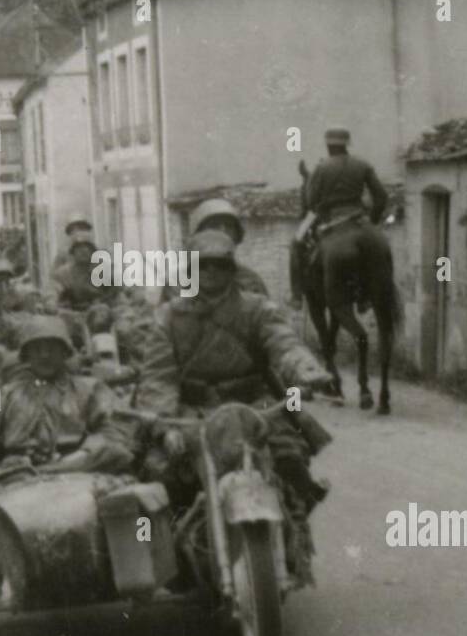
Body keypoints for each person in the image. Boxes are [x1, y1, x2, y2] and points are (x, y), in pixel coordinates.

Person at [135, 230, 334, 579]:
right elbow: (157, 376)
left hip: (251, 404)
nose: (212, 273)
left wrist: (305, 368)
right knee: (161, 470)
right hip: (191, 411)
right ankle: (176, 559)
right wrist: (165, 424)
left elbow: (282, 342)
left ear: (232, 269)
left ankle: (295, 533)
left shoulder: (256, 308)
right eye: (203, 265)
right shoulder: (168, 316)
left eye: (221, 265)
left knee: (289, 455)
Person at [0, 315, 136, 481]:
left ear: (65, 352)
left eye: (52, 348)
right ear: (26, 354)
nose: (45, 355)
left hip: (79, 471)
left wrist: (83, 454)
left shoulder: (90, 388)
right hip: (16, 476)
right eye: (37, 348)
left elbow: (116, 427)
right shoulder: (0, 392)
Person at [292, 128, 388, 307]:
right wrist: (373, 222)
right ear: (347, 144)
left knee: (296, 242)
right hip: (359, 217)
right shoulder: (362, 164)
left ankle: (296, 296)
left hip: (332, 217)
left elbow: (311, 202)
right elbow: (381, 197)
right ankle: (366, 294)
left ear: (328, 145)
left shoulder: (321, 167)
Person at [163, 197, 267, 301]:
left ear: (237, 235)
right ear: (198, 234)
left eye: (229, 226)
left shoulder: (251, 281)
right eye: (214, 225)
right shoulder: (178, 283)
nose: (222, 231)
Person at [51, 230, 119, 312]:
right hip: (74, 312)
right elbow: (54, 289)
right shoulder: (64, 273)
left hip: (104, 310)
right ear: (72, 252)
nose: (84, 251)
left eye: (88, 247)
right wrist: (51, 302)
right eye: (79, 248)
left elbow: (119, 291)